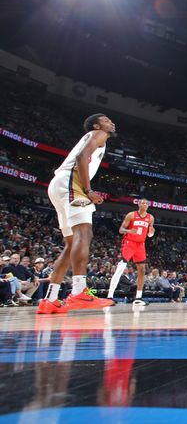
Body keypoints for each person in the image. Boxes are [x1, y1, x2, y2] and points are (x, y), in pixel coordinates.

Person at [38, 114, 117, 314]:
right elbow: (82, 157)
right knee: (85, 233)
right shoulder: (98, 133)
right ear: (98, 125)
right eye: (106, 120)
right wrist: (89, 190)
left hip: (60, 184)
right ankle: (79, 291)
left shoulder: (97, 137)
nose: (111, 122)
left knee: (71, 243)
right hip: (71, 183)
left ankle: (50, 299)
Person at [107, 199, 155, 305]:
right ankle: (110, 296)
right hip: (129, 243)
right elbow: (121, 230)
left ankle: (138, 298)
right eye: (143, 203)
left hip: (140, 245)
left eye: (147, 203)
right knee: (120, 268)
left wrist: (151, 233)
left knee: (142, 270)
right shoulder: (131, 215)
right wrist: (129, 231)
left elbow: (149, 234)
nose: (145, 204)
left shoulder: (150, 218)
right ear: (139, 204)